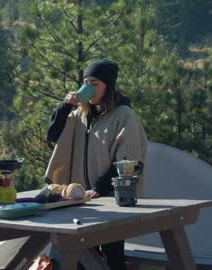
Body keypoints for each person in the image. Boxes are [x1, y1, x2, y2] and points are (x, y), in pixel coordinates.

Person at [44, 59, 148, 270]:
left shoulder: (123, 115)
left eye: (94, 83)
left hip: (111, 200)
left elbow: (129, 161)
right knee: (81, 258)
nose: (88, 87)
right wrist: (65, 107)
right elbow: (53, 136)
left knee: (112, 257)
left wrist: (99, 189)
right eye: (85, 82)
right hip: (79, 199)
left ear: (107, 86)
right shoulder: (79, 115)